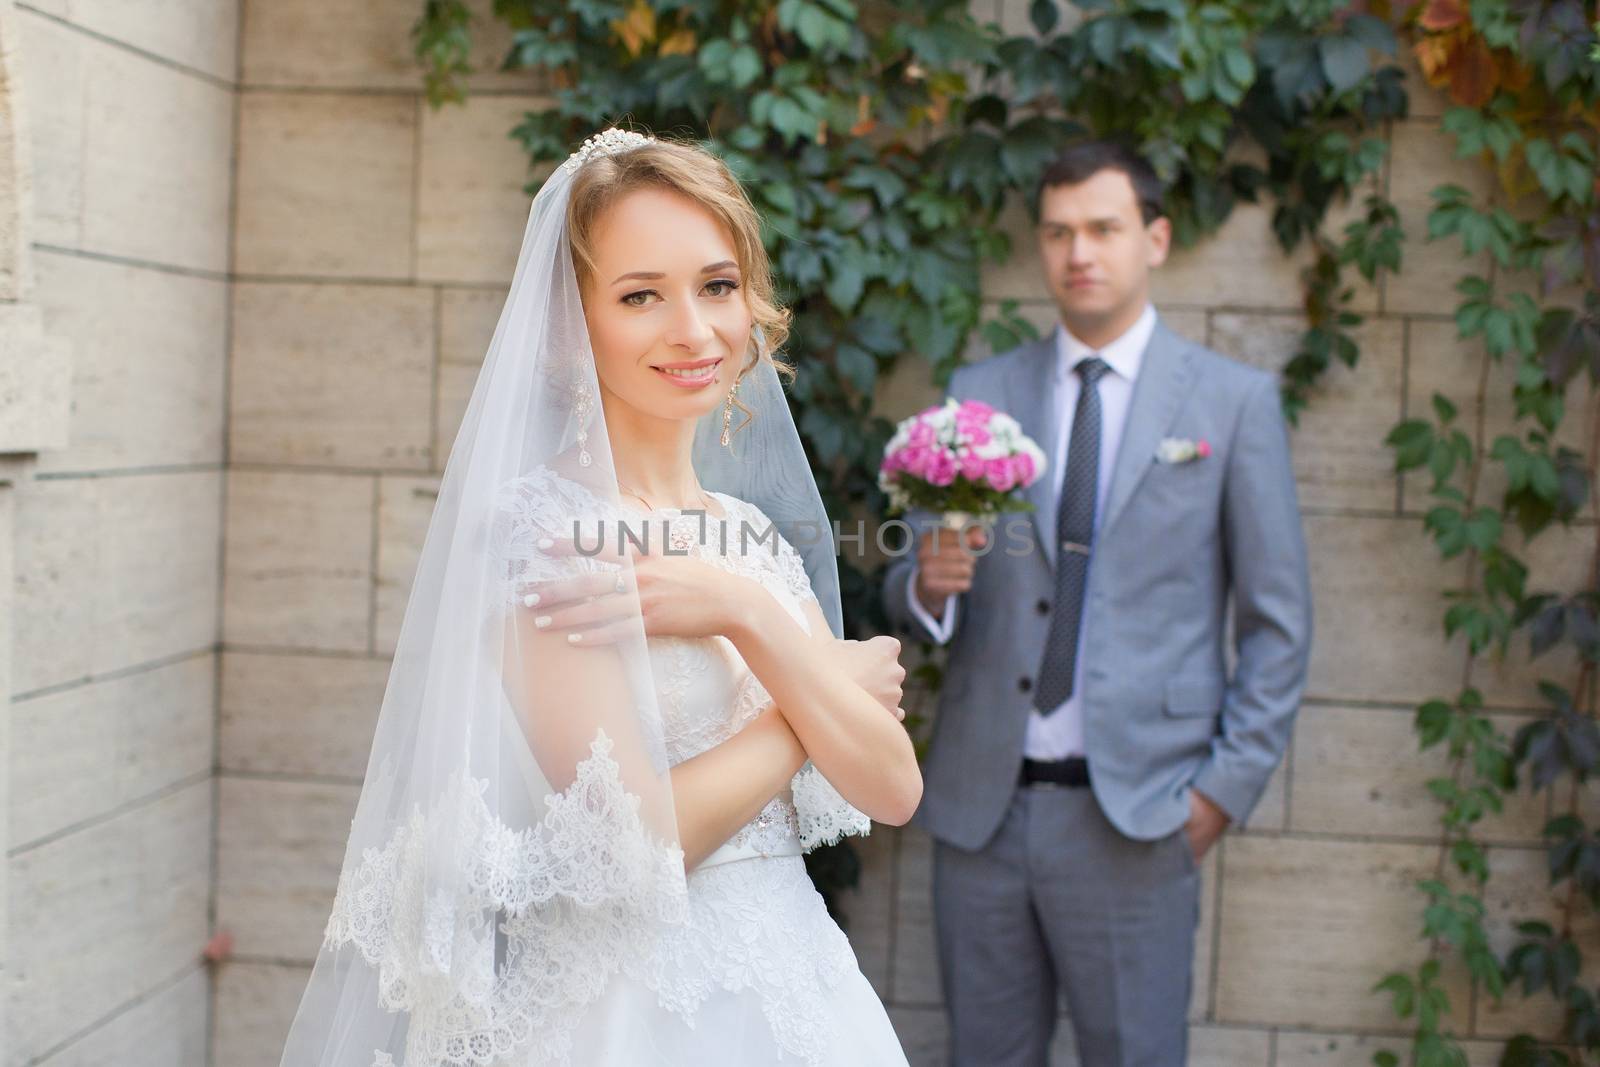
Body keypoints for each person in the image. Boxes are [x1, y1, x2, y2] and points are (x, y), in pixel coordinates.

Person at [278, 128, 918, 1067]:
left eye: (717, 285)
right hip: (635, 1019)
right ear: (568, 326)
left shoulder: (749, 535)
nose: (694, 330)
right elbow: (637, 851)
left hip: (800, 998)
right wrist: (819, 690)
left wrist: (748, 610)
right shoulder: (545, 533)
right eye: (640, 296)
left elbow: (893, 786)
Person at [882, 139, 1313, 1066]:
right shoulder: (978, 393)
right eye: (1058, 231)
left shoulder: (1233, 405)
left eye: (1104, 229)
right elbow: (907, 584)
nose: (1080, 251)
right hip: (981, 812)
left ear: (1154, 238)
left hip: (1142, 815)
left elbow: (1278, 628)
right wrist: (927, 583)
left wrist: (1215, 797)